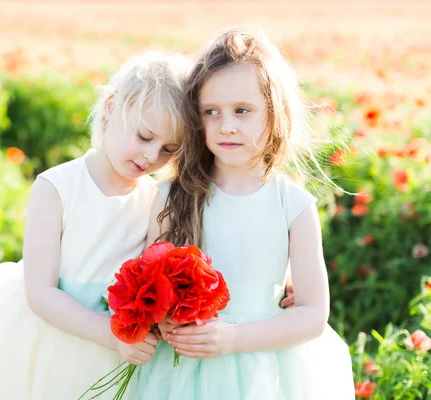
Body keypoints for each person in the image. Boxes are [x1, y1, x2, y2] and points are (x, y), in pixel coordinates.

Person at [0, 51, 192, 400]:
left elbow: (149, 282)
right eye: (144, 136)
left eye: (168, 149)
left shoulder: (155, 200)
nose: (151, 157)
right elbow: (41, 293)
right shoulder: (57, 187)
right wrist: (111, 334)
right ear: (111, 108)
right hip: (50, 335)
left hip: (114, 355)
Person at [130, 29, 355, 399]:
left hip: (263, 367)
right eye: (211, 112)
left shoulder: (293, 206)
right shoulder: (173, 195)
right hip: (185, 366)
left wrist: (234, 338)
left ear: (275, 113)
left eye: (242, 111)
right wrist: (166, 320)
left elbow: (313, 313)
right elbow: (151, 286)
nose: (226, 125)